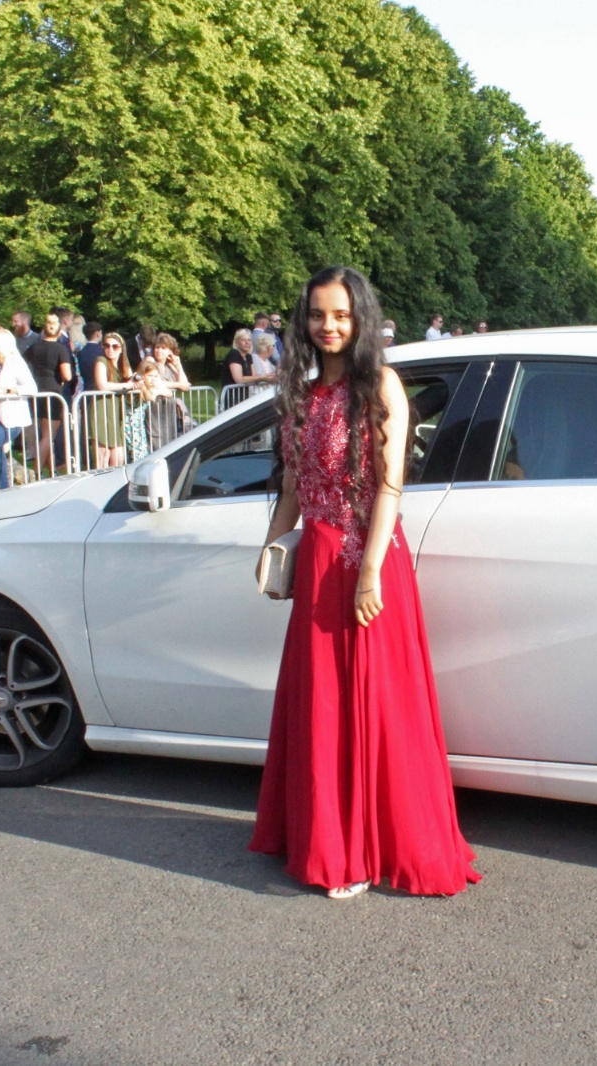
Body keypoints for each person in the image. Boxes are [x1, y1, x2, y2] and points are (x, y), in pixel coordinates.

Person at [249, 265, 479, 899]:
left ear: (361, 320)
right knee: (322, 707)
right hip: (318, 565)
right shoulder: (301, 393)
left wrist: (371, 570)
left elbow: (389, 487)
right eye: (318, 315)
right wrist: (272, 547)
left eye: (342, 316)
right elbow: (293, 487)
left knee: (371, 707)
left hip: (366, 561)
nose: (329, 326)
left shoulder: (380, 385)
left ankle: (363, 851)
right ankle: (326, 841)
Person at [0, 327, 38, 493]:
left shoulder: (15, 362)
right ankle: (3, 489)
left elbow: (31, 388)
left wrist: (7, 390)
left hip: (11, 418)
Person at [24, 311, 74, 473]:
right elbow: (67, 375)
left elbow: (24, 364)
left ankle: (51, 469)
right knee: (48, 435)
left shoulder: (34, 347)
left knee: (44, 433)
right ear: (59, 332)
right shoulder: (60, 349)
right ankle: (37, 471)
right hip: (53, 392)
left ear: (44, 331)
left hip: (37, 391)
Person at [85, 332, 136, 469]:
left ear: (121, 348)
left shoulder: (124, 365)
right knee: (103, 456)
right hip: (102, 409)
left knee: (119, 458)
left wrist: (134, 382)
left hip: (117, 411)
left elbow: (131, 381)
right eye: (106, 345)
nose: (110, 349)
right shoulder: (101, 361)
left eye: (115, 346)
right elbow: (102, 385)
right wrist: (126, 386)